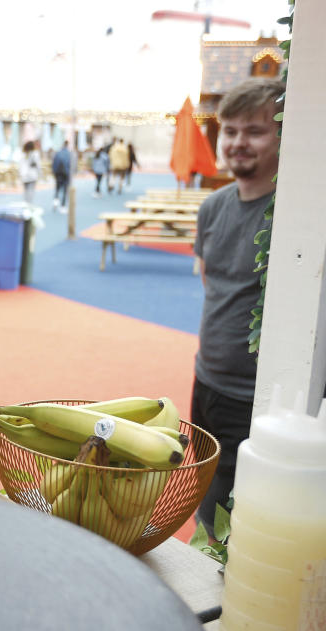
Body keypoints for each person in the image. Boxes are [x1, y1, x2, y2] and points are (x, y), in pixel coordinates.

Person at [192, 77, 285, 539]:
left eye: (254, 130)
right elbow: (213, 285)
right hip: (206, 381)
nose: (237, 142)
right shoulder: (212, 207)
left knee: (231, 523)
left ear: (283, 135)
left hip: (255, 397)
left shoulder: (291, 215)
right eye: (229, 131)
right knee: (198, 493)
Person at [51, 140, 71, 213]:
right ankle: (63, 205)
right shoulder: (68, 153)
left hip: (58, 173)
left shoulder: (58, 153)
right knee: (65, 190)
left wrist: (54, 172)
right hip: (66, 173)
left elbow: (54, 164)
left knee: (57, 188)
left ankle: (55, 200)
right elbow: (70, 165)